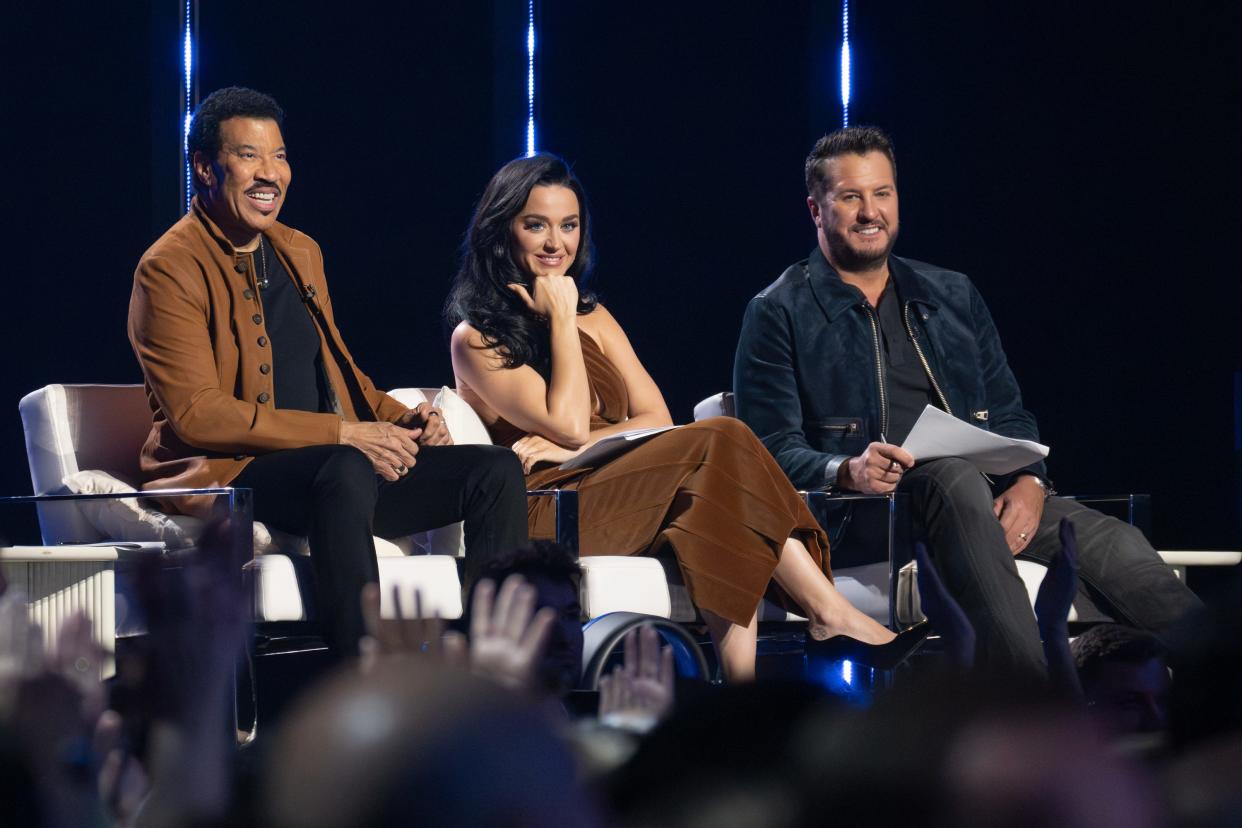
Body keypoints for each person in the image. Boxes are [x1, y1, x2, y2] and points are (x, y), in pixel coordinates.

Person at [733, 125, 1201, 677]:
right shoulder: (778, 311)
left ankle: (1220, 687)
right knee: (951, 478)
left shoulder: (952, 295)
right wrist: (848, 469)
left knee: (1111, 542)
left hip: (979, 497)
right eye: (851, 197)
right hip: (864, 516)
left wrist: (1028, 480)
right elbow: (766, 451)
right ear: (816, 209)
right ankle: (1034, 711)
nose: (870, 212)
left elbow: (1008, 413)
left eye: (882, 193)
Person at [445, 154, 917, 681]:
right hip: (554, 506)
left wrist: (581, 443)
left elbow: (655, 415)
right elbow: (571, 422)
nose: (557, 243)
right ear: (501, 231)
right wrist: (558, 318)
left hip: (624, 482)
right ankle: (829, 614)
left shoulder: (595, 317)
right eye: (536, 225)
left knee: (713, 495)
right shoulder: (477, 339)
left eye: (569, 225)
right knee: (721, 439)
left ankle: (739, 692)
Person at [128, 87, 528, 655]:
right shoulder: (168, 267)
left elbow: (341, 374)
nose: (270, 174)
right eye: (248, 156)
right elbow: (198, 415)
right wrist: (344, 434)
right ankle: (361, 684)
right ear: (204, 168)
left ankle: (499, 670)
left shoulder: (300, 250)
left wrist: (403, 419)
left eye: (281, 156)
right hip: (234, 477)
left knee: (493, 471)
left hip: (334, 476)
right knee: (343, 466)